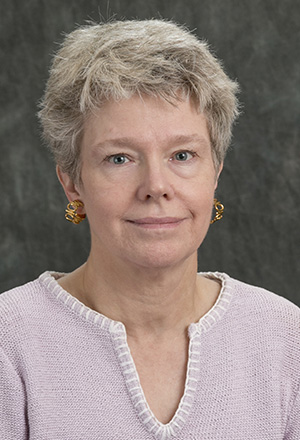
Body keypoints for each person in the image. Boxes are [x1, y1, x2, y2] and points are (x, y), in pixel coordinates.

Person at [0, 19, 299, 440]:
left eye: (182, 154)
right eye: (119, 158)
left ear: (215, 172)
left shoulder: (285, 337)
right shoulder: (9, 341)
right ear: (72, 182)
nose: (156, 187)